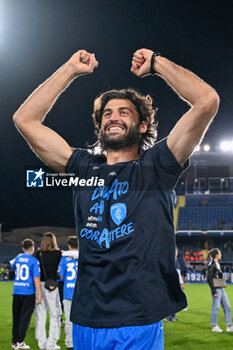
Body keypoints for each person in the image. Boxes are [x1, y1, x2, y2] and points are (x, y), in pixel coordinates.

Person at [13, 48, 219, 349]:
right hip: (87, 319)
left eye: (125, 112)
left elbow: (207, 101)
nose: (114, 117)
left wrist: (157, 64)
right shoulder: (83, 167)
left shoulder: (156, 166)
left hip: (139, 319)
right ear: (100, 127)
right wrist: (69, 69)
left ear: (143, 126)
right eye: (107, 113)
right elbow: (25, 119)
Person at [10, 239, 41, 350]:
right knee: (25, 318)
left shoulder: (18, 258)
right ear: (32, 248)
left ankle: (14, 341)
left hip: (17, 291)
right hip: (28, 292)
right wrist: (40, 294)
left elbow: (12, 266)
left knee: (16, 317)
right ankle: (20, 342)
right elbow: (36, 278)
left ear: (23, 248)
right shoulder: (34, 261)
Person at [35, 232, 62, 350]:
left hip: (40, 285)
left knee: (40, 316)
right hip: (52, 286)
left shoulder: (38, 253)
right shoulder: (58, 253)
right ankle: (51, 343)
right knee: (54, 315)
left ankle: (42, 343)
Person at [59, 236, 79, 350]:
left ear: (69, 245)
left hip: (68, 292)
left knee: (69, 319)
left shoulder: (64, 258)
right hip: (81, 292)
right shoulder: (84, 256)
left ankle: (70, 344)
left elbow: (61, 275)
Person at [207, 248, 233, 333]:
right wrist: (213, 291)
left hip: (220, 287)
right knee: (216, 307)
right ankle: (214, 326)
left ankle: (229, 326)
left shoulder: (217, 264)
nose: (221, 255)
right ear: (216, 255)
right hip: (216, 288)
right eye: (220, 253)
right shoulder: (212, 265)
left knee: (227, 306)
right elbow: (209, 279)